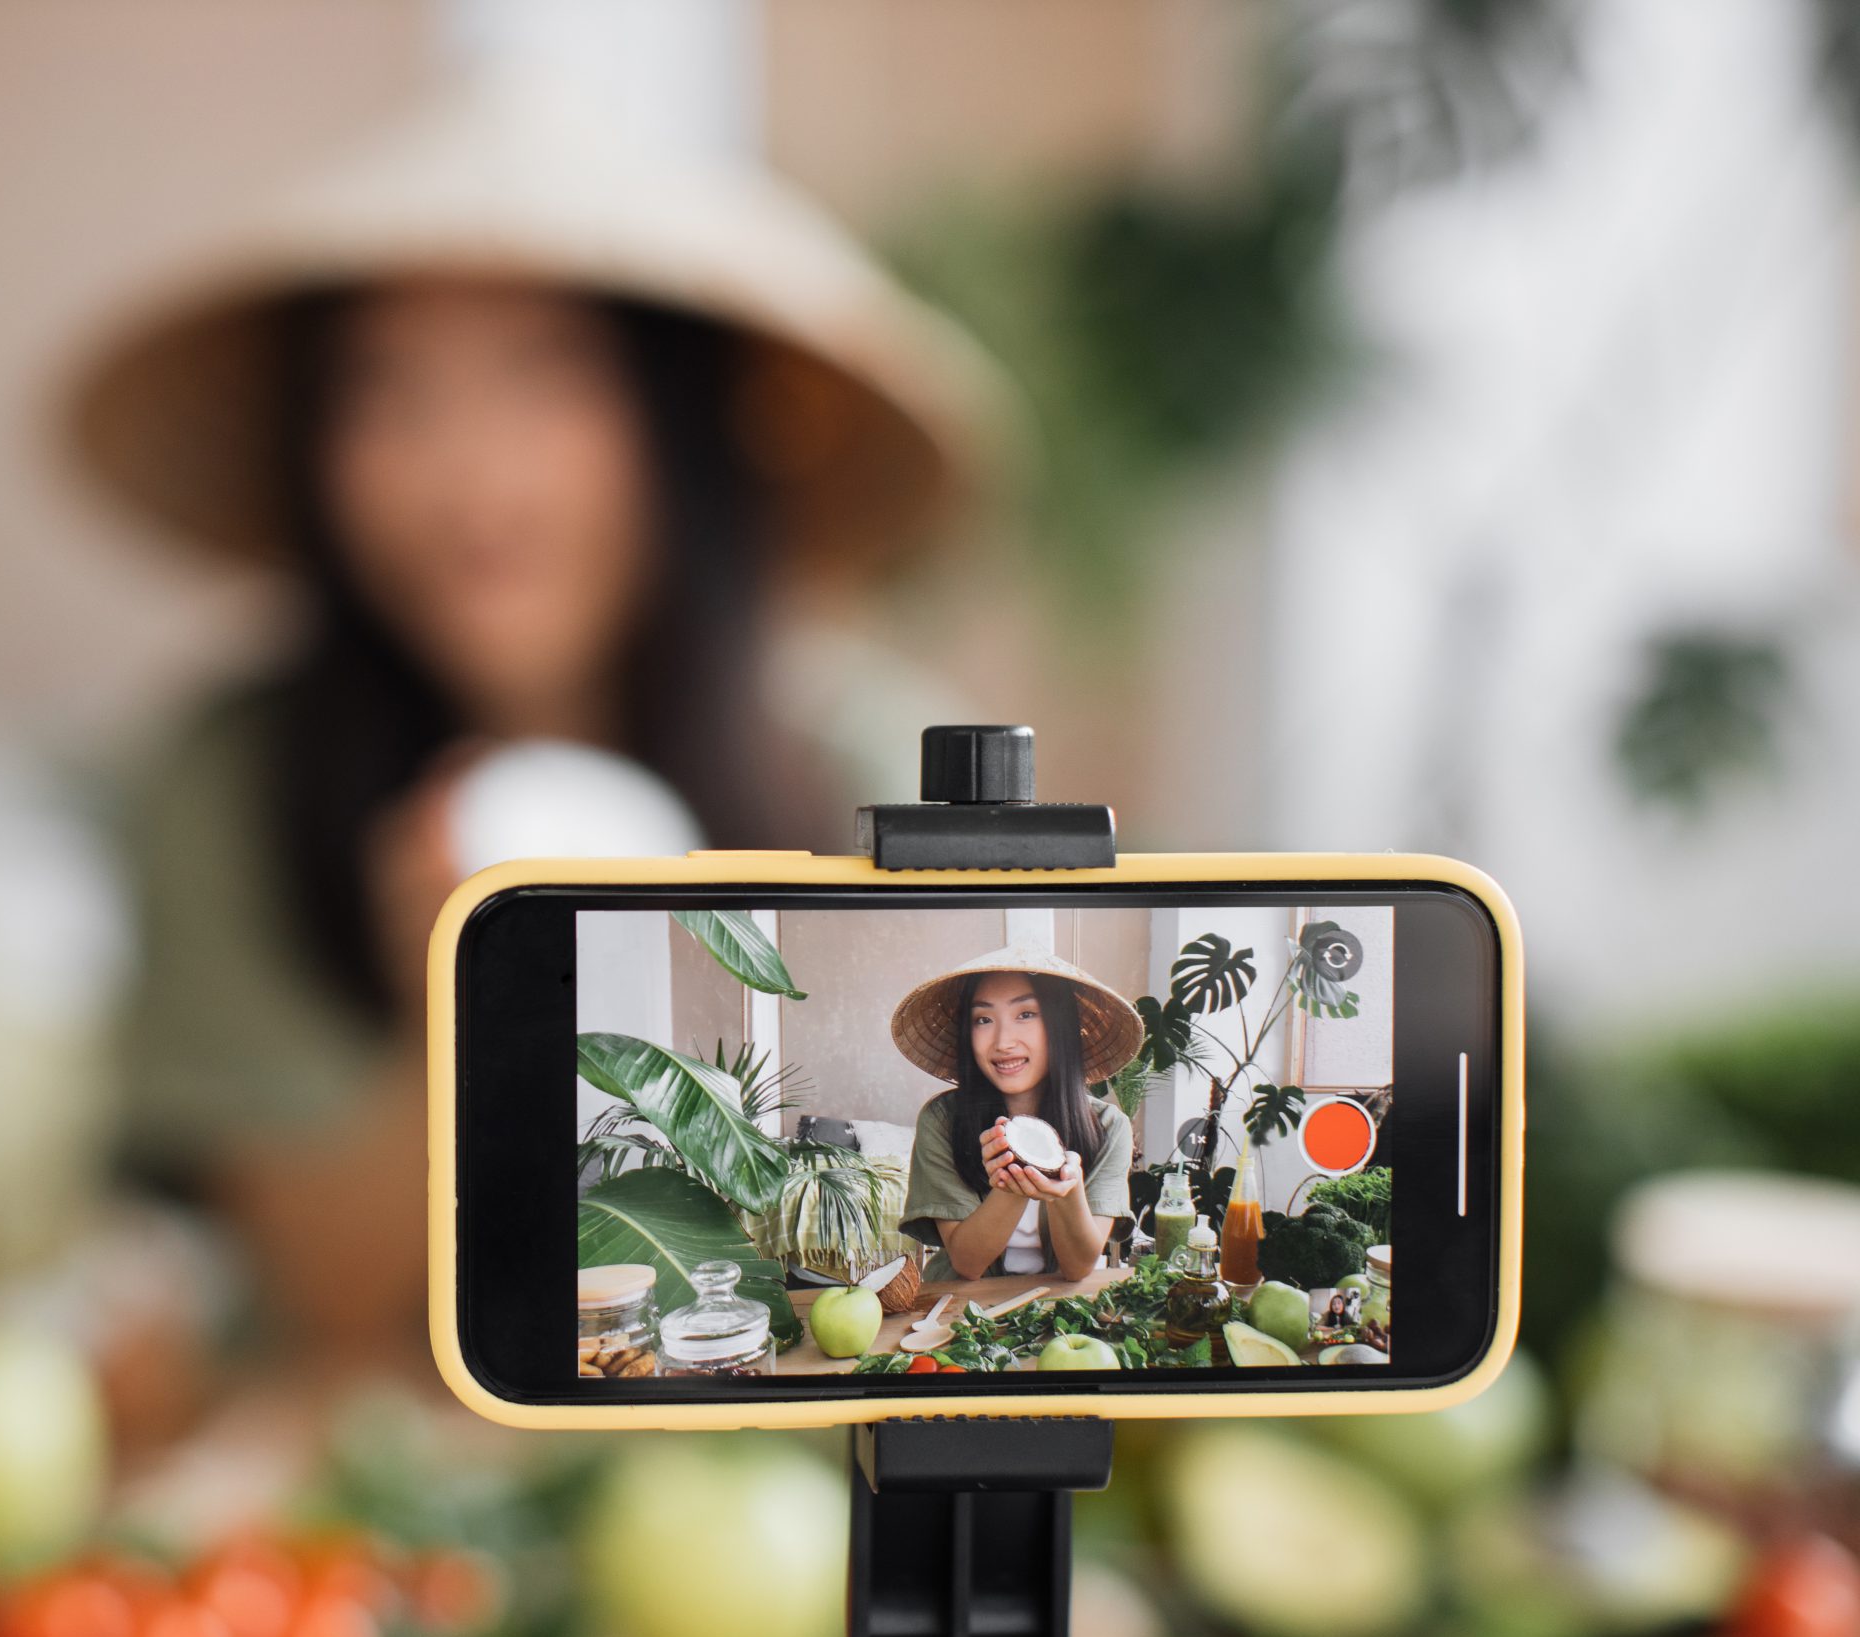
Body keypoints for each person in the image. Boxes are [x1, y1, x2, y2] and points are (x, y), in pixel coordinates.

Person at [59, 80, 992, 1355]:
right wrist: (472, 1011)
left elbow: (915, 1265)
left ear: (681, 419)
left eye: (545, 374)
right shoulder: (235, 784)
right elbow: (318, 1301)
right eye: (386, 389)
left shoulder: (878, 769)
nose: (468, 471)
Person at [888, 948, 1144, 1283]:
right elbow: (967, 1264)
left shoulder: (1109, 1127)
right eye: (983, 1020)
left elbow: (1078, 1268)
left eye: (1026, 1014)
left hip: (1058, 1307)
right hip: (962, 1305)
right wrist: (1011, 1184)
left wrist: (1068, 1191)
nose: (1003, 1042)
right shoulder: (942, 1120)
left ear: (1060, 1026)